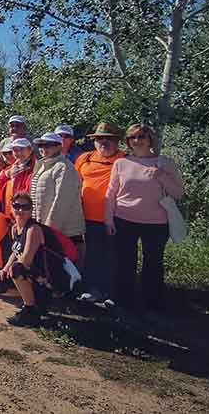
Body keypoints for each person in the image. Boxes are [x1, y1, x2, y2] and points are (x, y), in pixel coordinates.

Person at [105, 123, 185, 314]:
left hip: (156, 223)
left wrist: (162, 177)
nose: (137, 141)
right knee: (124, 262)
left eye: (141, 136)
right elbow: (111, 193)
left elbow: (179, 193)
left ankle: (152, 303)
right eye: (133, 137)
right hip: (124, 219)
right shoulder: (121, 163)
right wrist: (108, 219)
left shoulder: (164, 163)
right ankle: (122, 301)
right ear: (128, 141)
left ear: (150, 139)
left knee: (153, 263)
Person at [0, 192, 65, 326]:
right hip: (33, 276)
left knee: (17, 268)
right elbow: (15, 252)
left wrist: (10, 269)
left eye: (26, 207)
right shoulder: (14, 229)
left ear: (31, 209)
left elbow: (25, 260)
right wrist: (4, 269)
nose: (20, 210)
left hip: (47, 279)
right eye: (17, 206)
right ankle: (33, 300)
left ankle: (31, 311)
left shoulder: (33, 229)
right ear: (11, 207)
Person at [74, 122, 126, 304]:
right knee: (93, 255)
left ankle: (114, 293)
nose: (104, 142)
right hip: (87, 217)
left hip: (116, 218)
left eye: (109, 139)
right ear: (94, 141)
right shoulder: (84, 159)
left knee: (115, 256)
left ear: (117, 141)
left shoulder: (126, 160)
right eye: (100, 138)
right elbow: (74, 184)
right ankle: (92, 289)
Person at [30, 133, 85, 248]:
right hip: (43, 227)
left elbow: (61, 201)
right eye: (41, 145)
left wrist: (50, 231)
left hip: (64, 232)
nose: (43, 148)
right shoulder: (41, 166)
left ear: (59, 147)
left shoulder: (64, 167)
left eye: (48, 145)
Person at [0, 138, 35, 221]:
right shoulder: (11, 169)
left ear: (30, 150)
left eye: (22, 149)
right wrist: (7, 174)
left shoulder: (36, 167)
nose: (19, 153)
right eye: (15, 150)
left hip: (27, 212)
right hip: (12, 212)